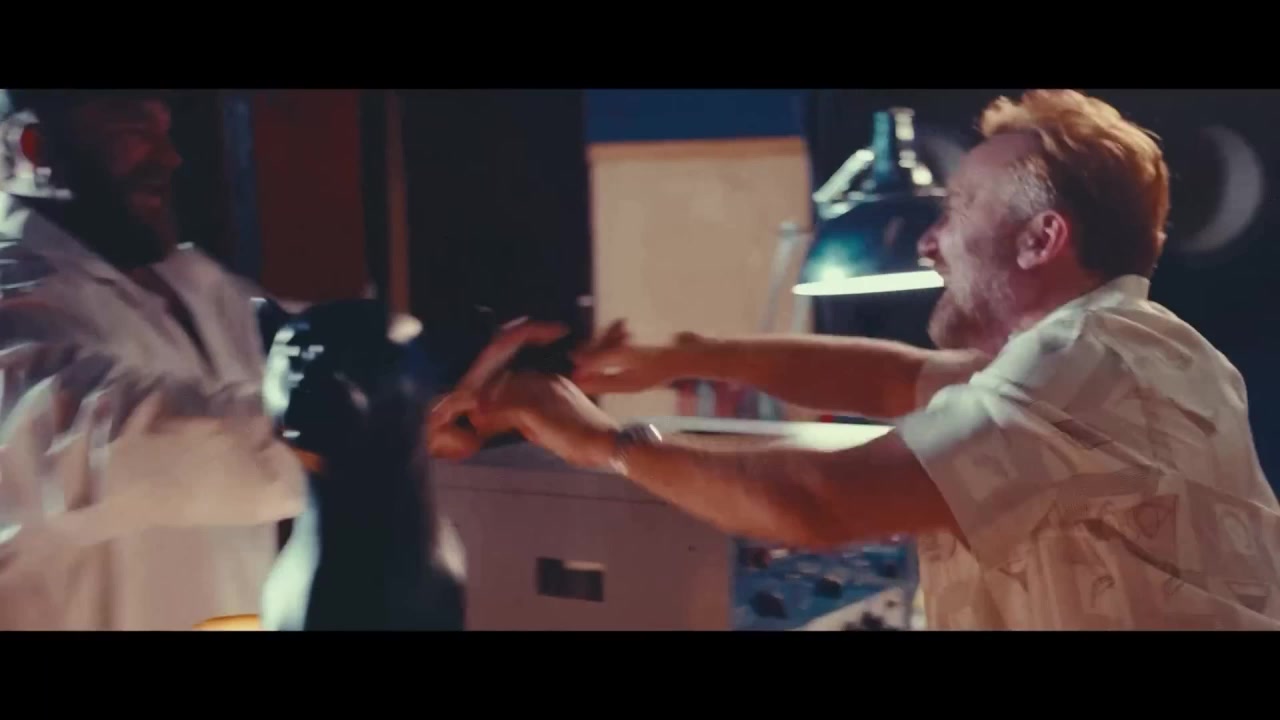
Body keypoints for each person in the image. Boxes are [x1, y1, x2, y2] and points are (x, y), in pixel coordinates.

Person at [430, 89, 1280, 630]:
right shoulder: (1117, 349)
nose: (930, 240)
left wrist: (602, 444)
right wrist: (683, 356)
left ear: (1040, 240)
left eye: (957, 209)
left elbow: (819, 500)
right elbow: (889, 377)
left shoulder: (1093, 358)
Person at [0, 89, 308, 630]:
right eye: (134, 130)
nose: (170, 157)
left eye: (165, 130)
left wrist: (451, 380)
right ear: (34, 147)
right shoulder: (15, 301)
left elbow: (317, 341)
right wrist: (358, 428)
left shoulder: (195, 287)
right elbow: (116, 442)